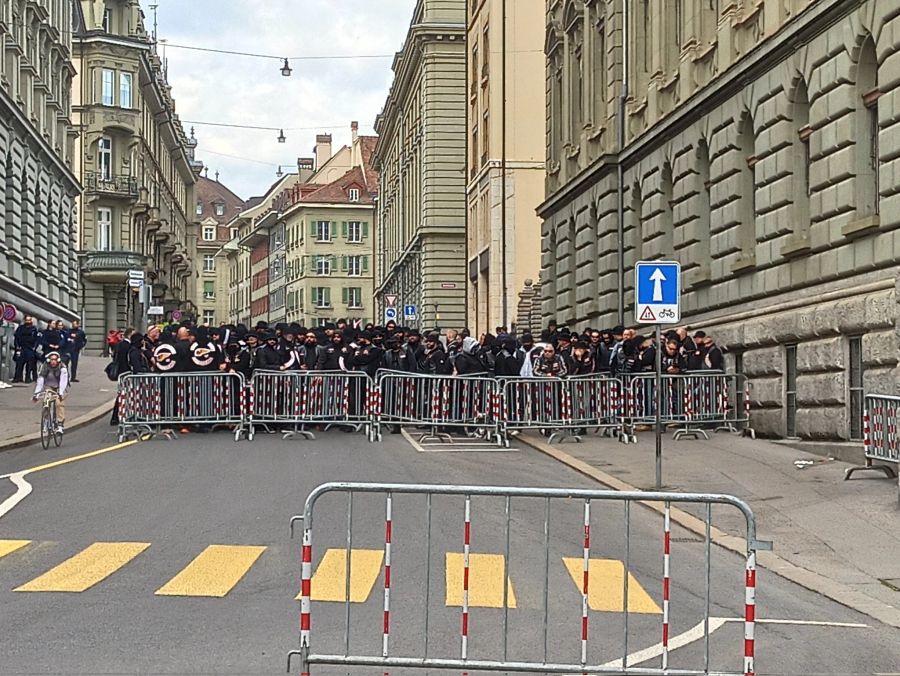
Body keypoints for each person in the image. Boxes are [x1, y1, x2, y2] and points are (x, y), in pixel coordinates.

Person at [32, 351, 69, 432]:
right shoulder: (44, 367)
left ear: (58, 360)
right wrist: (36, 394)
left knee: (59, 403)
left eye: (55, 360)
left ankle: (60, 424)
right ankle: (46, 421)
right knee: (46, 401)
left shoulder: (62, 368)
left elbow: (63, 381)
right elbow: (40, 381)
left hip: (59, 387)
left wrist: (61, 393)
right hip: (49, 387)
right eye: (51, 360)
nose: (53, 362)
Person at [13, 316, 39, 383]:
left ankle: (28, 378)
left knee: (29, 364)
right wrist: (17, 347)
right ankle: (18, 377)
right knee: (19, 364)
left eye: (29, 320)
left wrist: (34, 348)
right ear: (25, 321)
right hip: (22, 348)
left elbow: (37, 339)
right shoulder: (20, 328)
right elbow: (16, 338)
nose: (28, 321)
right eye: (27, 320)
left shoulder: (34, 329)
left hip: (30, 348)